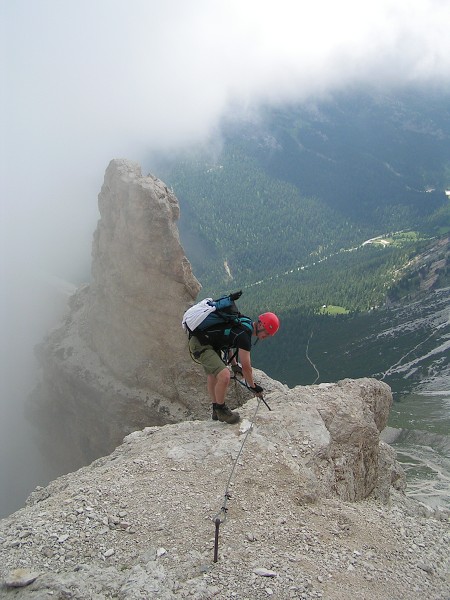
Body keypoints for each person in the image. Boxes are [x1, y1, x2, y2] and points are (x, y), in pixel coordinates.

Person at [189, 312, 280, 423]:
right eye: (267, 332)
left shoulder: (245, 322)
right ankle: (221, 410)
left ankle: (215, 410)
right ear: (261, 325)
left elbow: (228, 339)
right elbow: (246, 367)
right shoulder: (245, 335)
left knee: (213, 375)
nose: (267, 336)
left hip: (204, 340)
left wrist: (235, 365)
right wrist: (253, 387)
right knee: (225, 375)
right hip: (201, 344)